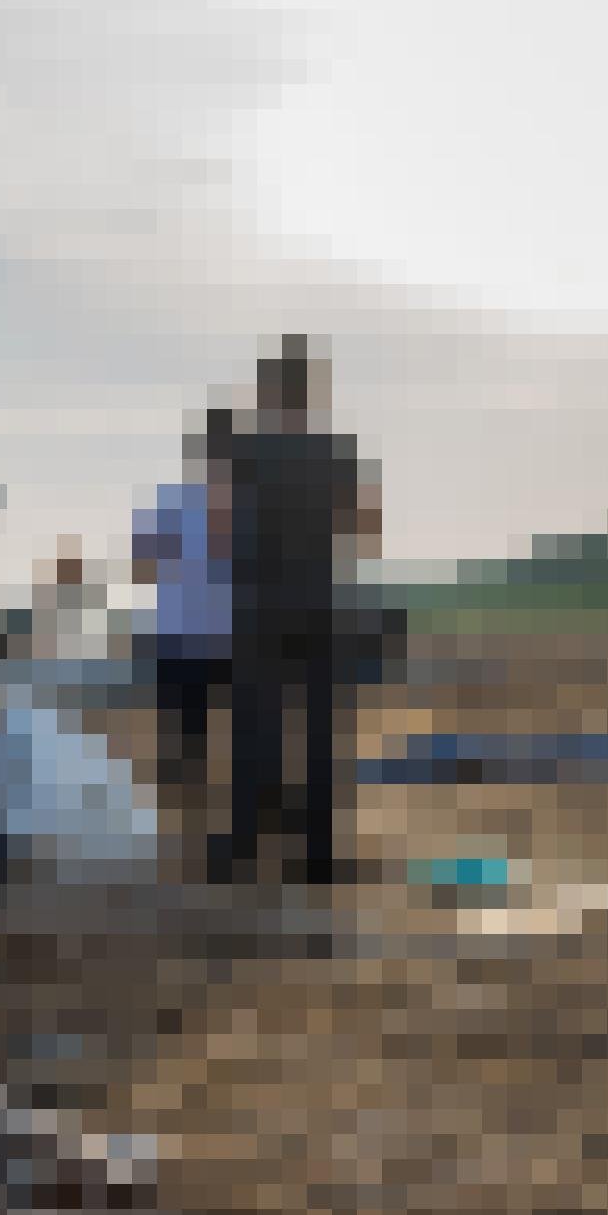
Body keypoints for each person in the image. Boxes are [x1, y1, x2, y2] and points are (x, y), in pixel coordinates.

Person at [215, 336, 379, 887]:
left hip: (258, 603)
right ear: (312, 393)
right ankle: (316, 857)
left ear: (266, 393)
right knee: (318, 736)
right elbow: (361, 525)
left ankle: (242, 851)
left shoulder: (243, 452)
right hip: (316, 600)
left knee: (254, 733)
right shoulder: (335, 451)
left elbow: (219, 526)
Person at [132, 411, 236, 844]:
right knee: (195, 742)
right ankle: (193, 827)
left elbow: (142, 565)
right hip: (199, 640)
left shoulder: (173, 501)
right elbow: (143, 564)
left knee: (192, 743)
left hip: (199, 639)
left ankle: (192, 827)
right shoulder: (195, 502)